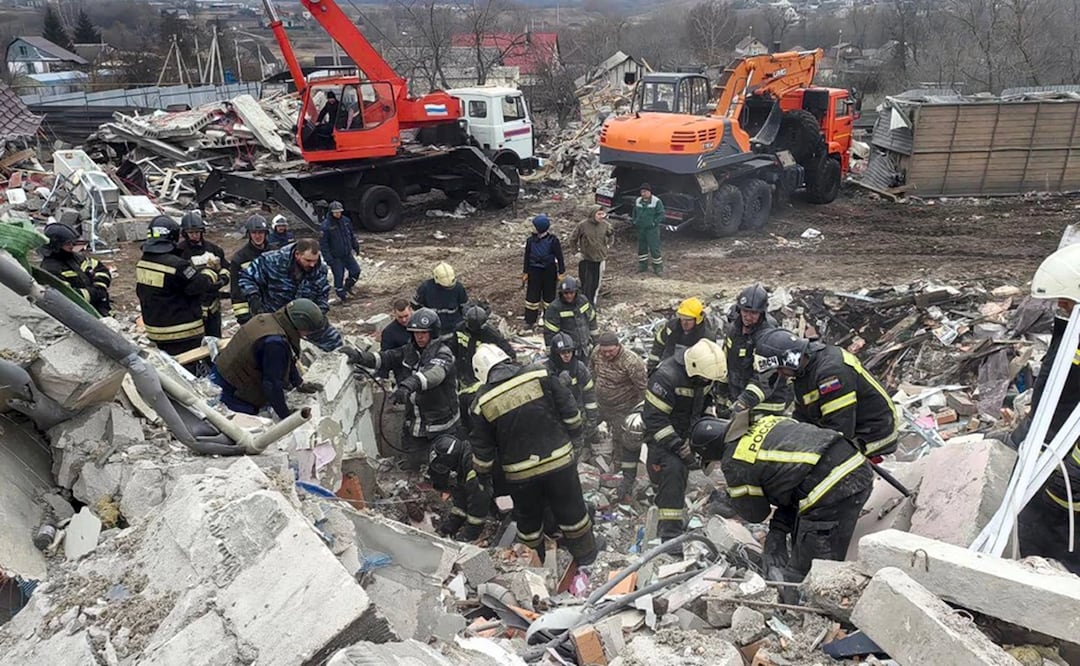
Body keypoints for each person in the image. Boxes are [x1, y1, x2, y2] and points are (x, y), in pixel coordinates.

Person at [690, 414, 872, 588]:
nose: (719, 466)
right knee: (803, 542)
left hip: (833, 488)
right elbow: (790, 484)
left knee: (807, 573)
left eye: (714, 462)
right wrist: (777, 530)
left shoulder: (735, 461)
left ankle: (812, 613)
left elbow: (755, 514)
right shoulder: (765, 421)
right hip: (857, 467)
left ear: (711, 450)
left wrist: (733, 501)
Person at [469, 343, 600, 565]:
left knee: (529, 523)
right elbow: (569, 410)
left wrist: (483, 477)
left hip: (520, 475)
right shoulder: (539, 374)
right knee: (573, 513)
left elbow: (483, 449)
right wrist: (576, 436)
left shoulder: (481, 402)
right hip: (559, 461)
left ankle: (535, 569)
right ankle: (588, 560)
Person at [1014, 243, 1080, 574]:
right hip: (1050, 451)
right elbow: (1057, 391)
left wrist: (1072, 471)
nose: (1060, 307)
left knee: (1065, 549)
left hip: (1068, 477)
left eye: (1066, 301)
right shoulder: (1072, 332)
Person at [341, 308, 459, 471]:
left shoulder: (443, 354)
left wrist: (408, 385)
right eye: (416, 333)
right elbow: (386, 358)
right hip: (416, 425)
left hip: (440, 425)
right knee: (414, 467)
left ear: (433, 333)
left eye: (424, 332)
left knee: (442, 468)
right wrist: (360, 357)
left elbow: (434, 375)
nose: (419, 337)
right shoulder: (409, 351)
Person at [754, 329, 898, 458]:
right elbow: (803, 415)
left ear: (790, 359)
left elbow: (839, 427)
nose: (780, 373)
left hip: (874, 434)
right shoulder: (804, 371)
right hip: (849, 427)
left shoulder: (831, 374)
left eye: (780, 368)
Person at [642, 338, 727, 540]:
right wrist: (679, 446)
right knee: (674, 470)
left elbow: (706, 402)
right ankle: (670, 535)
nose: (708, 383)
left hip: (688, 433)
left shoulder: (704, 376)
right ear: (693, 368)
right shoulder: (665, 378)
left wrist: (709, 426)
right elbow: (655, 419)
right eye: (706, 380)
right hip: (662, 439)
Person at [210, 299, 325, 418]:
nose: (307, 335)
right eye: (307, 331)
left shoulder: (269, 319)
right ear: (300, 325)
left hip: (223, 375)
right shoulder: (275, 342)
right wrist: (286, 415)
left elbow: (288, 357)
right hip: (230, 392)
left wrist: (298, 383)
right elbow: (272, 384)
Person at [135, 215, 223, 357]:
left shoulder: (143, 262)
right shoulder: (177, 265)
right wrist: (210, 271)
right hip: (182, 333)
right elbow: (199, 285)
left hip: (155, 331)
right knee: (194, 372)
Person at [238, 239, 343, 351]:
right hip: (274, 317)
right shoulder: (272, 261)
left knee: (334, 342)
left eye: (315, 260)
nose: (312, 264)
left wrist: (318, 315)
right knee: (273, 350)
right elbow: (246, 276)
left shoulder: (319, 270)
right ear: (297, 254)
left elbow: (322, 294)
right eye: (308, 260)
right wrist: (253, 297)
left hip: (304, 317)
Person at [590, 331, 648, 499]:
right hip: (600, 403)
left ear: (618, 346)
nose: (607, 354)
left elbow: (643, 388)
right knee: (584, 425)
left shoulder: (632, 362)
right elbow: (591, 373)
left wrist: (642, 413)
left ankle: (620, 473)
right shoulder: (596, 353)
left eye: (611, 351)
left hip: (623, 408)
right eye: (604, 351)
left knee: (621, 441)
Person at [721, 283, 792, 419]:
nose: (748, 316)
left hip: (766, 406)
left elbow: (765, 378)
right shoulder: (734, 329)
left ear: (762, 312)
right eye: (745, 311)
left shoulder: (769, 337)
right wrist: (721, 395)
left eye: (753, 313)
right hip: (739, 400)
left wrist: (743, 402)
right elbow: (726, 362)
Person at [451, 303, 516, 431]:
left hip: (481, 380)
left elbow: (510, 354)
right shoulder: (459, 329)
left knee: (478, 412)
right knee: (462, 407)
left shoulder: (490, 334)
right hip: (462, 376)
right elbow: (453, 350)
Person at [176, 211, 230, 338]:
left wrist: (222, 280)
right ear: (185, 233)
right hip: (192, 305)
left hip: (213, 304)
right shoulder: (179, 252)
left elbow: (225, 267)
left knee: (215, 339)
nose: (194, 235)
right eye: (191, 233)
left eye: (197, 232)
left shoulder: (213, 249)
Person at [428, 433, 491, 542]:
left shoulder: (473, 470)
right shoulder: (463, 463)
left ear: (449, 460)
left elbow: (478, 510)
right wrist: (449, 527)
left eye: (443, 466)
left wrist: (465, 538)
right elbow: (462, 499)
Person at [39, 222, 111, 316]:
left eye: (72, 242)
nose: (72, 246)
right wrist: (95, 293)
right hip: (80, 315)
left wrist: (100, 285)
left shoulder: (76, 257)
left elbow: (101, 269)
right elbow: (69, 296)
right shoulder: (50, 269)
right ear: (56, 245)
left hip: (99, 309)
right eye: (67, 243)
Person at [545, 332, 599, 454]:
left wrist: (592, 419)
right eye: (563, 353)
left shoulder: (579, 368)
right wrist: (559, 384)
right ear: (555, 353)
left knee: (578, 447)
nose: (567, 356)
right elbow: (545, 399)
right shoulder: (547, 370)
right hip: (556, 418)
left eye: (569, 352)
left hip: (578, 415)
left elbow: (589, 395)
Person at [647, 297, 714, 375]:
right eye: (682, 319)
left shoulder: (706, 338)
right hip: (667, 371)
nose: (684, 323)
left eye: (689, 320)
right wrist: (651, 366)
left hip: (691, 376)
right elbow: (658, 344)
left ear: (698, 319)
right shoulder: (671, 328)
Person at [522, 214, 565, 329]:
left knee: (549, 297)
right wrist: (525, 272)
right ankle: (530, 320)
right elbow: (527, 257)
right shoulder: (531, 241)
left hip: (549, 271)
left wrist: (561, 272)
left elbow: (559, 256)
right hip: (534, 271)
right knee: (532, 297)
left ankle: (549, 319)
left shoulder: (553, 240)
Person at [229, 214, 271, 325]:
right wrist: (242, 316)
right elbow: (236, 290)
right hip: (252, 311)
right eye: (254, 233)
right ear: (249, 234)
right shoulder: (239, 258)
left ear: (266, 233)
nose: (258, 236)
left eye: (261, 232)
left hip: (274, 308)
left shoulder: (275, 253)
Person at [569, 208, 613, 307]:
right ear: (593, 214)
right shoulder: (582, 225)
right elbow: (573, 239)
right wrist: (576, 252)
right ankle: (584, 304)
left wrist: (608, 246)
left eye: (603, 214)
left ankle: (592, 303)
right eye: (599, 214)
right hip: (586, 259)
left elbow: (611, 235)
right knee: (586, 283)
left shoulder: (606, 225)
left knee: (596, 283)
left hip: (600, 259)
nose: (601, 216)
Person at [543, 276, 597, 355]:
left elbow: (592, 321)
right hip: (568, 352)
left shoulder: (583, 301)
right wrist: (552, 351)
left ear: (576, 291)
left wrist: (596, 342)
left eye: (572, 293)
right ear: (561, 293)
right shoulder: (555, 308)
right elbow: (550, 333)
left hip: (586, 348)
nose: (569, 296)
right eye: (566, 293)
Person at [319, 201, 361, 303]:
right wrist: (328, 258)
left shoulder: (346, 221)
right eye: (336, 212)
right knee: (338, 276)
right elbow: (323, 244)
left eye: (339, 212)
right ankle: (342, 297)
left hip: (347, 254)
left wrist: (355, 245)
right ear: (331, 212)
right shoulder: (326, 226)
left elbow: (351, 235)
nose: (338, 214)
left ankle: (348, 286)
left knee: (356, 271)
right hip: (335, 257)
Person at [412, 262, 469, 333]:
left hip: (454, 328)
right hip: (433, 329)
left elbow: (464, 307)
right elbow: (415, 307)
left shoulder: (458, 288)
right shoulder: (425, 288)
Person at [631, 183, 665, 275]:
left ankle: (658, 268)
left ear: (649, 192)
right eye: (641, 192)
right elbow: (634, 212)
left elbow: (661, 214)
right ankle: (642, 266)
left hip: (652, 230)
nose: (643, 194)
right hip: (641, 228)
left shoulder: (656, 201)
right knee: (641, 247)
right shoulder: (638, 201)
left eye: (645, 191)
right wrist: (634, 221)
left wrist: (654, 223)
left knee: (654, 248)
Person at [378, 299, 414, 382]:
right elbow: (385, 356)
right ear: (394, 314)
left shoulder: (420, 325)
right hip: (403, 372)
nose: (404, 320)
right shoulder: (389, 332)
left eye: (406, 316)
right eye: (400, 317)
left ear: (411, 311)